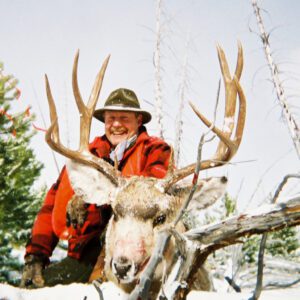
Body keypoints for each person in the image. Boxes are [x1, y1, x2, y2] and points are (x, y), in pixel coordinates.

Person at [20, 88, 171, 288]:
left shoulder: (154, 151)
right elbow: (51, 205)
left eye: (124, 118)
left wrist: (100, 195)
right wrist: (35, 256)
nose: (116, 124)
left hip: (135, 257)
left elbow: (153, 188)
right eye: (111, 118)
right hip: (84, 256)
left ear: (139, 120)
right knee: (32, 289)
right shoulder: (85, 158)